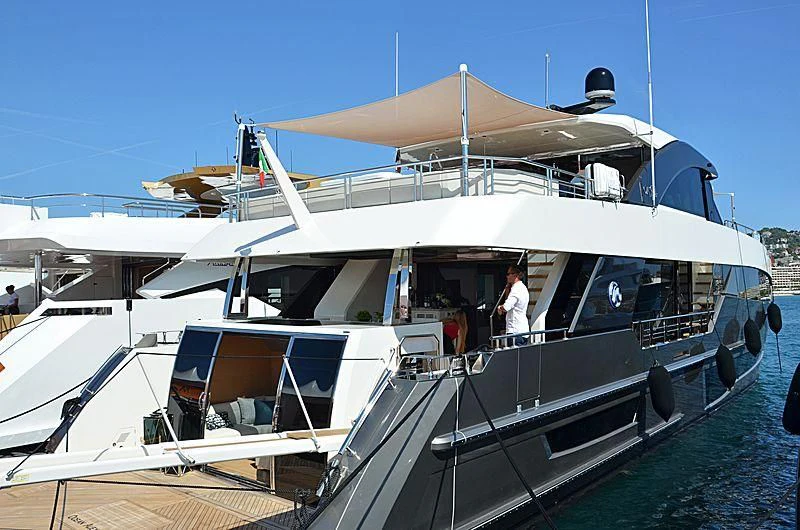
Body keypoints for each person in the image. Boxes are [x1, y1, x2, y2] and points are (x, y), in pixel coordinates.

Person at [496, 265, 529, 346]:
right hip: (523, 330)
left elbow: (506, 307)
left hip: (515, 330)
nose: (507, 276)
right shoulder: (523, 288)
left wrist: (499, 307)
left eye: (508, 274)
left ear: (515, 275)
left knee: (515, 357)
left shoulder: (516, 289)